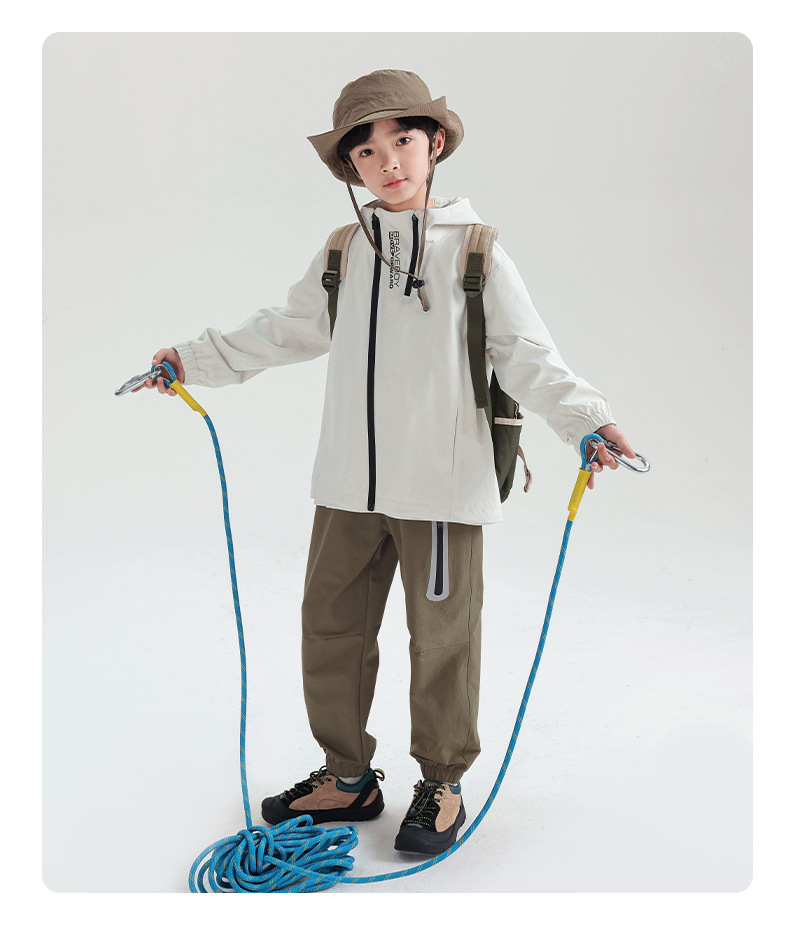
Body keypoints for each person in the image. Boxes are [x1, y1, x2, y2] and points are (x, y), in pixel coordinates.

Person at [142, 69, 636, 857]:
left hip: (441, 488)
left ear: (434, 143)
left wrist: (588, 420)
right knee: (329, 626)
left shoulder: (476, 251)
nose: (388, 161)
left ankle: (442, 780)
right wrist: (192, 359)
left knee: (443, 640)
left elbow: (528, 355)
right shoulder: (344, 251)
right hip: (347, 484)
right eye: (366, 151)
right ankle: (348, 774)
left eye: (402, 140)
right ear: (352, 168)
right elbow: (284, 328)